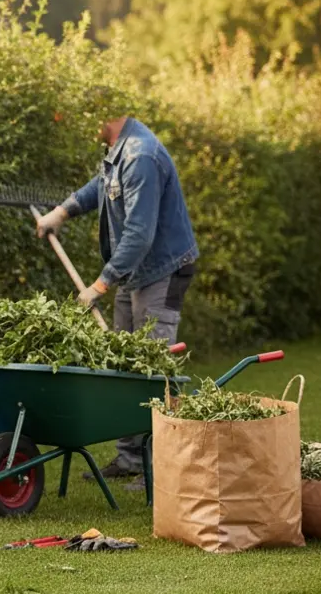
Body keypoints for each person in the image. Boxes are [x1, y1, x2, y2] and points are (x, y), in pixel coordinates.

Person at [34, 115, 199, 484]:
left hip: (164, 270)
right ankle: (130, 459)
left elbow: (139, 234)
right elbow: (104, 185)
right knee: (126, 366)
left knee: (155, 369)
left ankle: (162, 465)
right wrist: (61, 212)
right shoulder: (119, 150)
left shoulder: (141, 155)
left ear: (106, 116)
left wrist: (100, 285)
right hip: (136, 271)